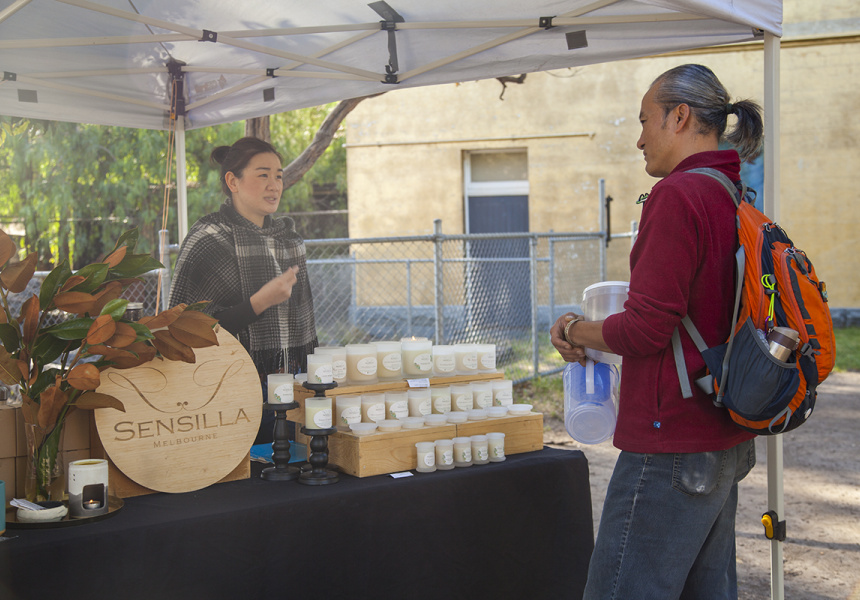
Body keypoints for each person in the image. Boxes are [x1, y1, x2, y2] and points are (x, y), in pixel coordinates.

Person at [551, 64, 763, 599]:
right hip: (722, 432)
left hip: (671, 442)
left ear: (680, 116)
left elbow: (647, 328)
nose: (640, 138)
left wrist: (578, 330)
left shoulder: (677, 195)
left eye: (645, 121)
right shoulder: (732, 191)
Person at [169, 137, 317, 443]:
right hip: (229, 389)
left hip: (291, 386)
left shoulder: (290, 241)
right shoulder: (209, 238)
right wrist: (259, 303)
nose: (274, 185)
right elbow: (185, 329)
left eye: (278, 175)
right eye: (263, 175)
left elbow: (303, 330)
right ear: (232, 181)